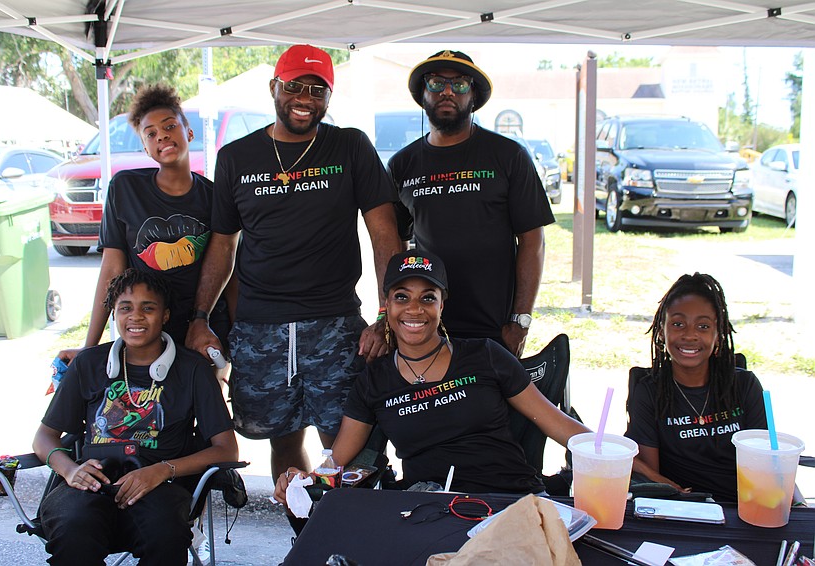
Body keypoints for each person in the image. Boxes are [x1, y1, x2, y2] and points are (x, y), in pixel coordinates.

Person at [186, 44, 402, 485]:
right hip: (259, 326)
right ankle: (303, 533)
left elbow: (385, 236)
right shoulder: (236, 157)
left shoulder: (349, 146)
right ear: (274, 88)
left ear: (328, 98)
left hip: (335, 323)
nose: (304, 98)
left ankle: (349, 540)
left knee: (347, 442)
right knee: (282, 439)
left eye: (317, 89)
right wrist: (199, 317)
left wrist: (387, 315)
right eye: (293, 86)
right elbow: (223, 246)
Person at [274, 249, 589, 502]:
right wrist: (305, 478)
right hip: (429, 506)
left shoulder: (485, 355)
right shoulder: (374, 380)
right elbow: (337, 461)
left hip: (511, 500)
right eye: (402, 297)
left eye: (427, 297)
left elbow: (558, 424)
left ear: (442, 305)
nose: (414, 309)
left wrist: (618, 455)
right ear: (387, 305)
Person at [33, 268, 237, 565]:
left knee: (165, 533)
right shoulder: (88, 364)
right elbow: (44, 437)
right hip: (91, 483)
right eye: (125, 308)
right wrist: (69, 470)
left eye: (148, 308)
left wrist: (162, 470)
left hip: (158, 486)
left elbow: (227, 448)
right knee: (73, 528)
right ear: (114, 314)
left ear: (165, 315)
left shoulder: (193, 370)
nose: (136, 317)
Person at [389, 50, 555, 357]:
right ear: (422, 94)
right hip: (426, 325)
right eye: (437, 83)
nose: (448, 92)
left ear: (474, 96)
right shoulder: (403, 164)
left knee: (489, 405)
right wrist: (396, 314)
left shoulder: (508, 156)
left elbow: (533, 240)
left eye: (461, 84)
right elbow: (397, 245)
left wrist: (520, 321)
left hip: (493, 327)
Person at [58, 83, 232, 364]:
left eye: (169, 126)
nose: (162, 135)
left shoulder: (214, 197)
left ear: (188, 132)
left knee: (204, 400)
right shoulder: (125, 188)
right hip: (146, 329)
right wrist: (89, 347)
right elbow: (112, 269)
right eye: (151, 133)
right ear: (145, 147)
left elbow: (228, 268)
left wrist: (231, 340)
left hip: (200, 329)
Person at [624, 273, 768, 502]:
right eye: (678, 324)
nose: (690, 335)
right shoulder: (649, 392)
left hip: (744, 506)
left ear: (718, 335)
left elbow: (766, 465)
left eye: (703, 326)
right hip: (681, 508)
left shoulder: (745, 385)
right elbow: (655, 482)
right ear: (661, 331)